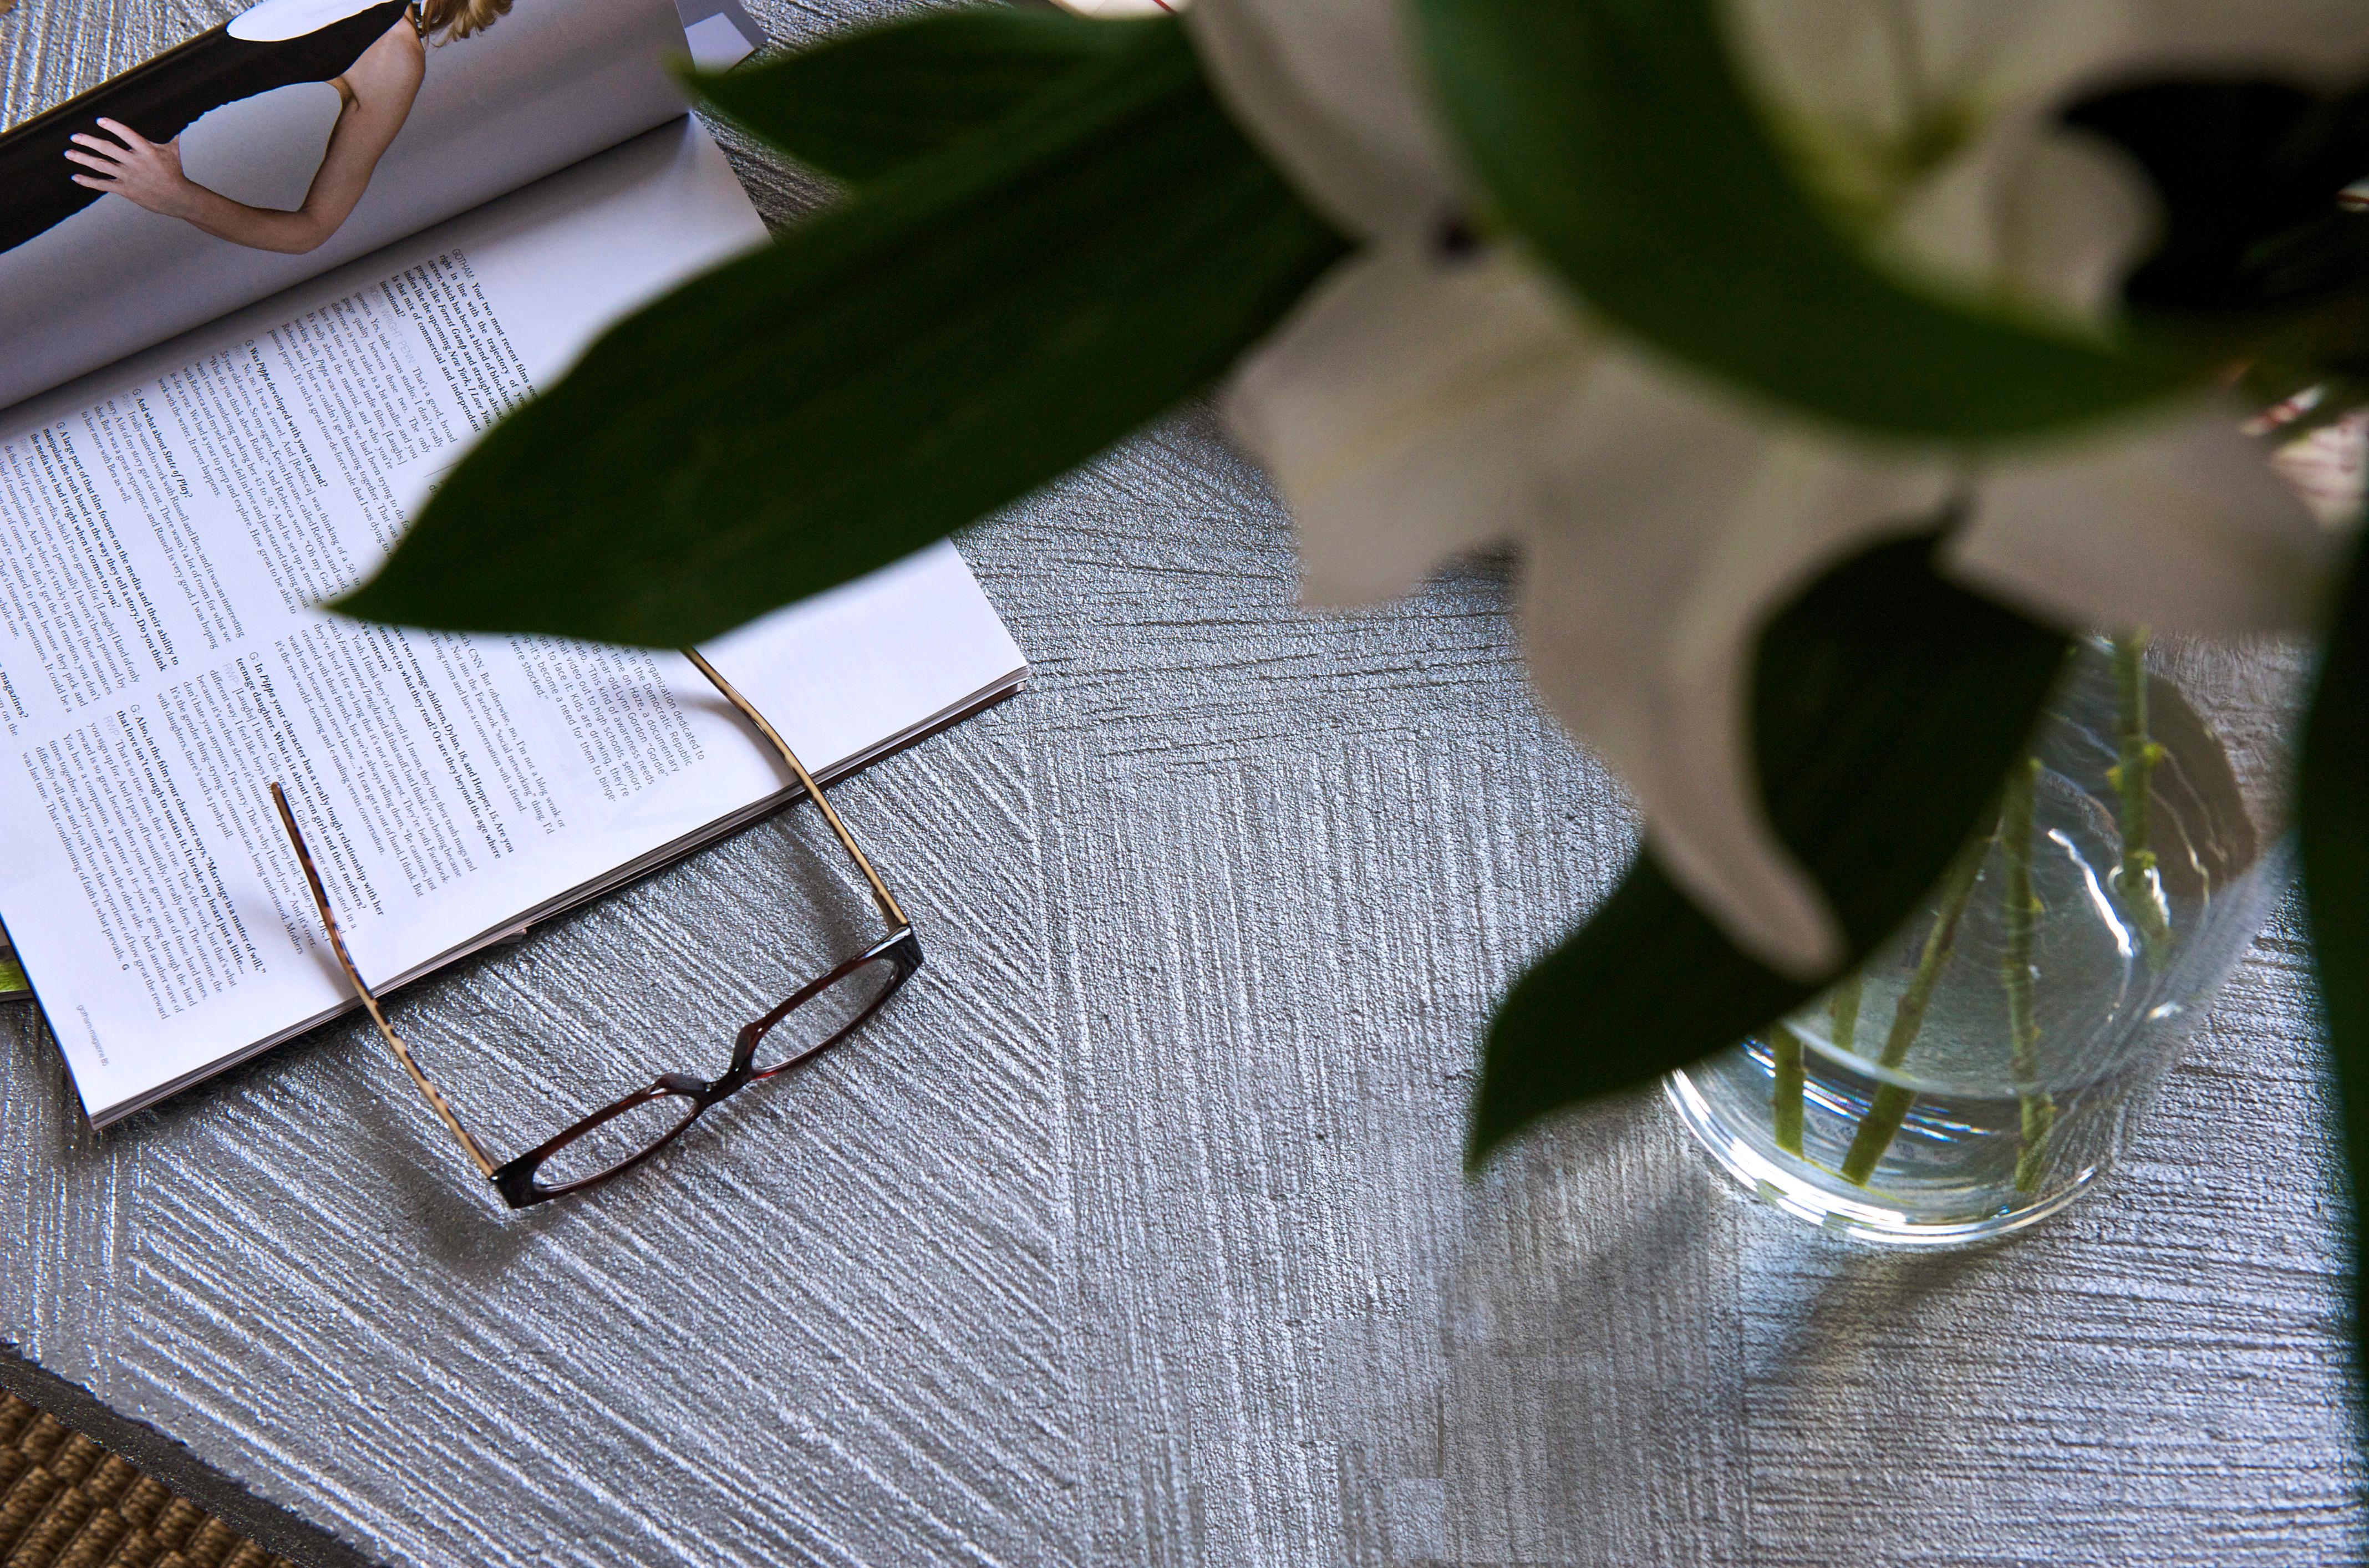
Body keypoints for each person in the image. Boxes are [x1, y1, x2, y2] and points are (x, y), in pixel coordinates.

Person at [0, 0, 507, 258]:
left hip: (55, 154)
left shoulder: (392, 56)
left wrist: (176, 197)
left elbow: (313, 228)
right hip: (27, 40)